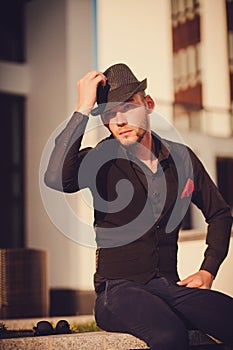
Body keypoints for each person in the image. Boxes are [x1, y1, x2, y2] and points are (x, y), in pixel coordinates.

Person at [44, 63, 233, 350]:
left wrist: (208, 270)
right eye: (109, 114)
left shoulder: (182, 158)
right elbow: (57, 177)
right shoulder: (101, 159)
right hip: (117, 291)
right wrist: (83, 107)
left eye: (127, 108)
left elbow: (219, 213)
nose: (118, 121)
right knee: (170, 335)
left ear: (148, 105)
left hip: (170, 287)